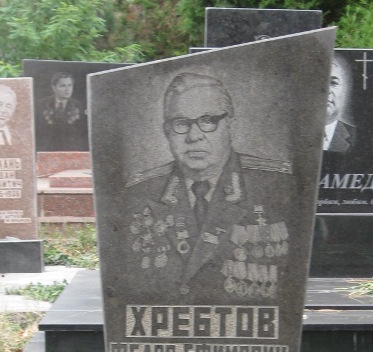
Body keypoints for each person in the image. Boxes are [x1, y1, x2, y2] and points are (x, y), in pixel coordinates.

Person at [124, 72, 292, 300]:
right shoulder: (139, 193)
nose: (194, 136)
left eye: (208, 121)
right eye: (181, 123)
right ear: (167, 132)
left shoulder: (277, 186)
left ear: (231, 126)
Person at [323, 59, 355, 156]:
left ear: (343, 91)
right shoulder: (290, 134)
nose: (327, 90)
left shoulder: (359, 137)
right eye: (318, 82)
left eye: (333, 83)